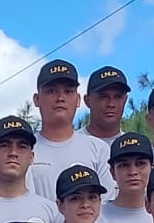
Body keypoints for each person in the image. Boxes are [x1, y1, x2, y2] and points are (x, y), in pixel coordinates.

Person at [29, 59, 111, 198]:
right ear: (37, 99)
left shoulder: (98, 149)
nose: (60, 98)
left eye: (68, 91)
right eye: (51, 91)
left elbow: (105, 204)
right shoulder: (25, 149)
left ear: (78, 99)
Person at [0, 115, 66, 223]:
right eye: (4, 145)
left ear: (31, 157)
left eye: (21, 146)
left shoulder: (52, 213)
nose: (13, 152)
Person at [100, 131, 154, 223]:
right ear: (112, 172)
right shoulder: (97, 216)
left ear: (152, 168)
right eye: (123, 165)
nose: (133, 172)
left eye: (140, 164)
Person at [82, 64, 130, 145]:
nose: (111, 104)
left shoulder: (133, 149)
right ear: (87, 101)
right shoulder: (73, 144)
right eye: (103, 97)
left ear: (125, 100)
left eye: (117, 97)